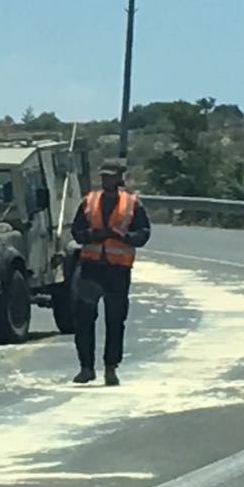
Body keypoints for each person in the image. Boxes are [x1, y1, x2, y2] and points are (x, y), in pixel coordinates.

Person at [69, 161, 151, 386]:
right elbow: (76, 231)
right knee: (84, 318)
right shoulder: (89, 200)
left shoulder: (132, 204)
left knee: (115, 320)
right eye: (103, 176)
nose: (106, 180)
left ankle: (110, 368)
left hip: (118, 270)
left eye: (110, 176)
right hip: (91, 268)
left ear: (119, 179)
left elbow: (143, 234)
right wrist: (91, 235)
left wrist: (121, 236)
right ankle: (86, 368)